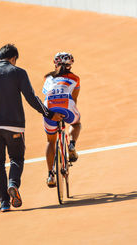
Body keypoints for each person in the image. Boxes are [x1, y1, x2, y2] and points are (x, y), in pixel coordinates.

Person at [0, 44, 64, 212]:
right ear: (14, 58)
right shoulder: (18, 73)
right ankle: (13, 184)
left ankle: (4, 203)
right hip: (14, 125)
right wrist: (49, 114)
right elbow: (31, 97)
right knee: (16, 158)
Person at [42, 52, 81, 187]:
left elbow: (47, 95)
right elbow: (74, 99)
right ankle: (71, 144)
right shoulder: (75, 78)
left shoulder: (47, 77)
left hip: (49, 109)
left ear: (55, 63)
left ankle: (50, 175)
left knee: (50, 141)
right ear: (70, 65)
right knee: (76, 124)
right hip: (67, 106)